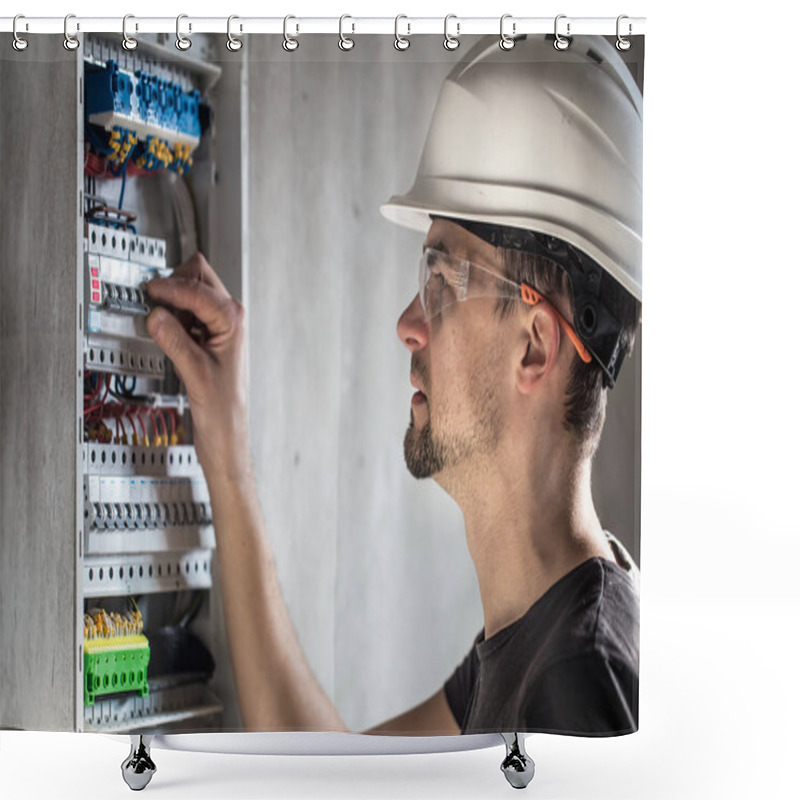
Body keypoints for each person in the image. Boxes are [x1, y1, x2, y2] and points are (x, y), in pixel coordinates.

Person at [144, 33, 642, 736]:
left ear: (534, 346)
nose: (409, 324)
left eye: (441, 282)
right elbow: (331, 780)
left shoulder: (579, 684)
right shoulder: (534, 638)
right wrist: (225, 447)